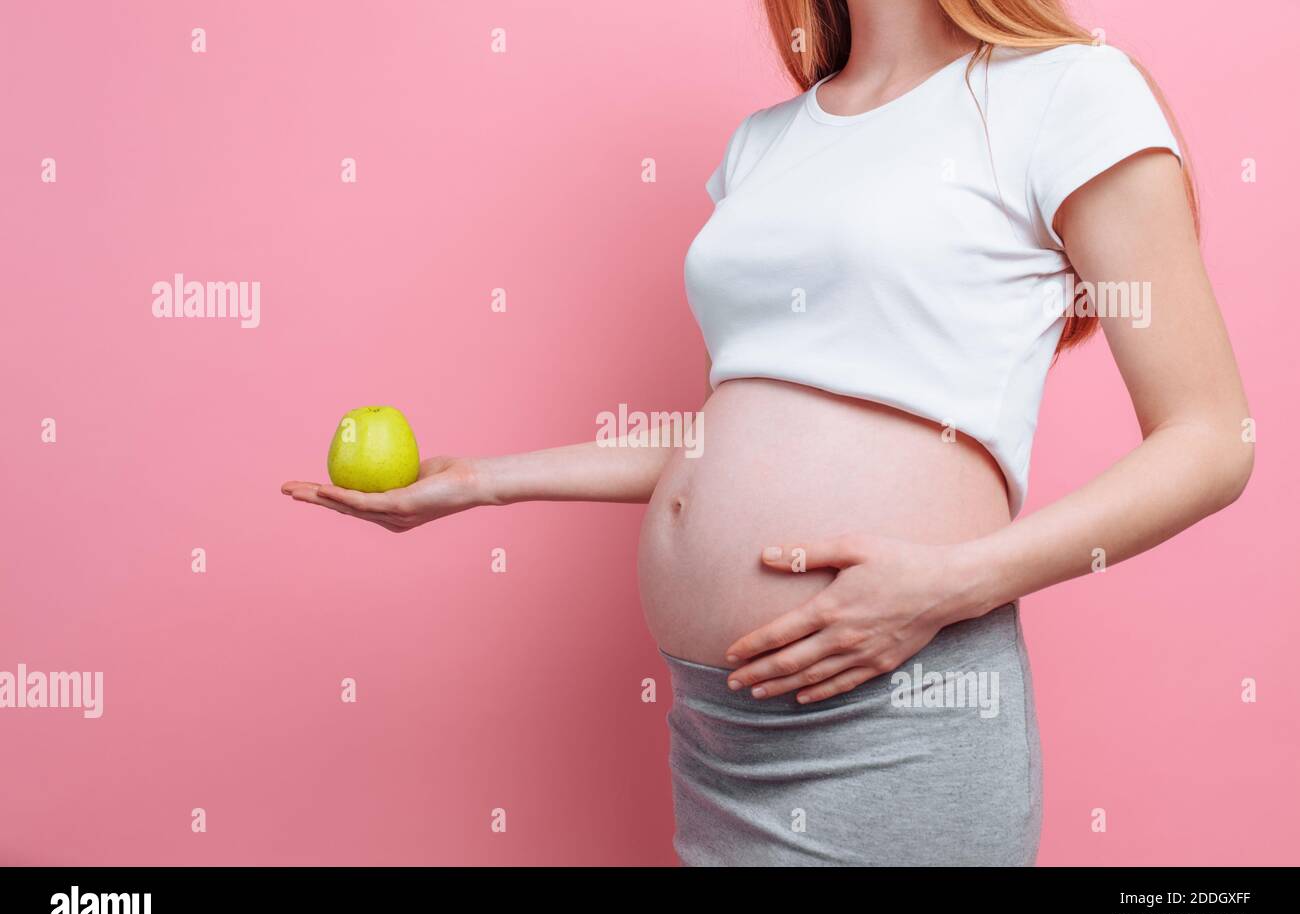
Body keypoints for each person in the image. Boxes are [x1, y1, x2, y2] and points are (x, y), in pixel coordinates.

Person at [282, 0, 1252, 865]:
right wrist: (487, 480)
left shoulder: (1067, 91)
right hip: (718, 725)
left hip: (898, 704)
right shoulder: (767, 143)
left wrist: (953, 583)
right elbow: (742, 433)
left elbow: (1211, 438)